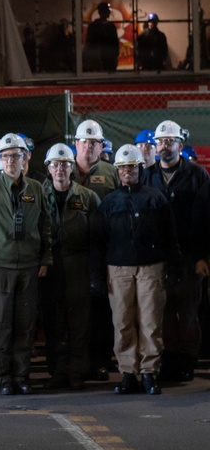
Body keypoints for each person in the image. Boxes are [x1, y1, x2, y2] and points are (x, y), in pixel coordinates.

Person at [92, 144, 180, 395]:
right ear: (118, 171)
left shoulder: (155, 198)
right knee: (122, 323)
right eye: (123, 168)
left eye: (132, 167)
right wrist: (96, 274)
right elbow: (98, 242)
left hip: (151, 268)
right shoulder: (109, 203)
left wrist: (173, 265)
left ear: (140, 169)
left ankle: (149, 373)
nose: (127, 171)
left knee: (151, 323)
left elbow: (169, 236)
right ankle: (128, 373)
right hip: (118, 270)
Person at [0, 133, 52, 395]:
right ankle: (2, 377)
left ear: (25, 158)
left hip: (30, 266)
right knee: (0, 323)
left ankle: (21, 375)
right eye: (5, 157)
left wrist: (46, 258)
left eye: (15, 156)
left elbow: (46, 226)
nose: (10, 161)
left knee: (25, 323)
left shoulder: (36, 188)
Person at [142, 119, 209, 381]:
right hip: (158, 257)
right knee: (164, 312)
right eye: (160, 141)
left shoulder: (197, 175)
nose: (164, 146)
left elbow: (206, 219)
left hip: (190, 257)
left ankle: (187, 360)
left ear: (180, 145)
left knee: (189, 311)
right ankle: (169, 360)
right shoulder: (147, 176)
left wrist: (202, 256)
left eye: (170, 141)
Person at [40, 143, 101, 390]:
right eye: (55, 164)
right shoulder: (37, 195)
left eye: (65, 164)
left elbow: (97, 239)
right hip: (50, 267)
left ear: (72, 168)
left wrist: (95, 272)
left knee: (79, 324)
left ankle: (76, 372)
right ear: (48, 169)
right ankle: (57, 372)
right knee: (54, 323)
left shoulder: (88, 197)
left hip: (79, 265)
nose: (60, 169)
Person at [73, 119, 119, 200]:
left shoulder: (112, 172)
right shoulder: (63, 170)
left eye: (93, 142)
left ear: (100, 147)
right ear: (77, 144)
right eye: (84, 141)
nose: (88, 146)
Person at [84, 1, 119, 72]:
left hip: (104, 57)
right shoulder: (109, 26)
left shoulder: (95, 26)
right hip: (102, 58)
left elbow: (89, 42)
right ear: (102, 12)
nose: (109, 12)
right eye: (107, 10)